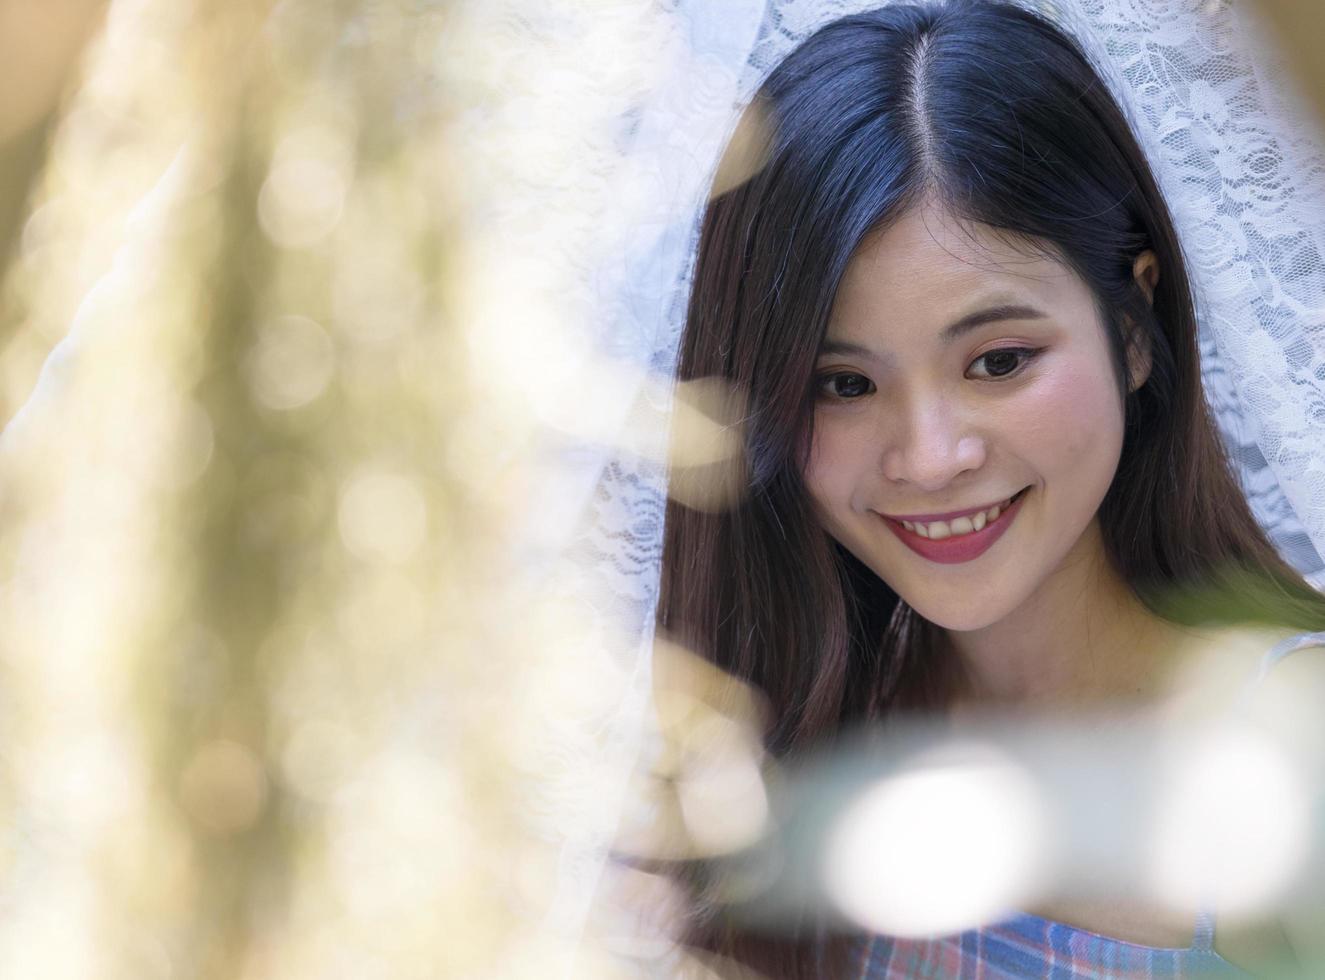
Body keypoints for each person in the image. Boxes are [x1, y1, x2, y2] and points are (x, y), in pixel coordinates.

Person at [652, 0, 1325, 976]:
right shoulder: (773, 734)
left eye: (998, 359)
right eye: (844, 384)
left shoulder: (1287, 749)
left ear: (1131, 329)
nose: (927, 455)